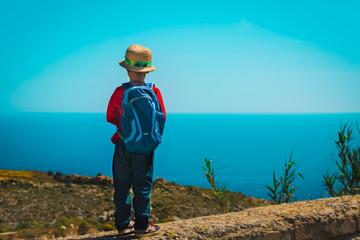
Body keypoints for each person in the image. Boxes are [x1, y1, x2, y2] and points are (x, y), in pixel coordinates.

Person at [106, 44, 166, 237]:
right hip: (145, 148)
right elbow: (162, 117)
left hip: (123, 145)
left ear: (127, 69)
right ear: (147, 71)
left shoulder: (118, 92)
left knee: (122, 187)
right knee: (142, 188)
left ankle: (124, 226)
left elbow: (110, 117)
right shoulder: (154, 93)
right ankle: (142, 226)